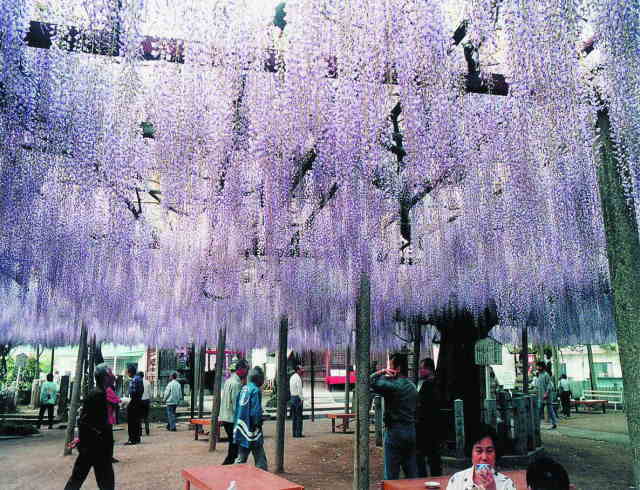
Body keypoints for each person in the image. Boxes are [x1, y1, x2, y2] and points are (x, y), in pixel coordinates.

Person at [64, 363, 115, 490]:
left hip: (94, 446)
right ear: (105, 377)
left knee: (79, 478)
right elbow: (85, 421)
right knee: (104, 481)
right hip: (96, 447)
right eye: (110, 374)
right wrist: (86, 439)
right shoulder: (97, 395)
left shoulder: (101, 393)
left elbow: (88, 421)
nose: (113, 376)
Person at [370, 352, 418, 480]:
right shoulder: (413, 387)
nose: (388, 369)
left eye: (390, 366)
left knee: (391, 474)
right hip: (411, 431)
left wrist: (381, 372)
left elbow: (370, 381)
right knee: (411, 472)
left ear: (397, 368)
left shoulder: (393, 386)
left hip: (395, 431)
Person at [446, 424, 515, 490]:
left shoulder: (506, 483)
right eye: (479, 451)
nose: (484, 457)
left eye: (489, 451)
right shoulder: (456, 480)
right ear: (471, 452)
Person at [234, 366, 268, 470]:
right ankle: (263, 478)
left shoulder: (243, 388)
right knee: (260, 457)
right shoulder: (255, 390)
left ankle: (234, 475)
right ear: (258, 379)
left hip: (240, 427)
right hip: (251, 429)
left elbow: (237, 408)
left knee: (241, 456)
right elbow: (255, 412)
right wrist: (259, 422)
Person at [415, 358, 443, 477]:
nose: (420, 371)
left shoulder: (428, 384)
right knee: (434, 456)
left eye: (422, 368)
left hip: (426, 425)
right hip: (435, 426)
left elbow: (422, 404)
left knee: (421, 456)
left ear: (429, 369)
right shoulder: (437, 382)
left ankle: (424, 478)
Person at [220, 359, 249, 464]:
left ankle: (227, 469)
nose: (247, 373)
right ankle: (225, 470)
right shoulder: (236, 384)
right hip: (232, 419)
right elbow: (236, 405)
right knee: (234, 449)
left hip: (226, 417)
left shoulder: (229, 381)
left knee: (233, 448)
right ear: (241, 370)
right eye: (246, 370)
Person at [104, 368, 121, 464]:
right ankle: (108, 457)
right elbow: (117, 401)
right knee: (109, 439)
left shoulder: (102, 389)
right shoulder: (108, 390)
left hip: (103, 417)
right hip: (107, 418)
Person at [536, 361, 558, 429]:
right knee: (539, 410)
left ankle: (554, 423)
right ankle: (537, 424)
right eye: (537, 366)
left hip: (547, 396)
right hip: (541, 396)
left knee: (550, 410)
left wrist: (546, 393)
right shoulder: (539, 375)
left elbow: (549, 385)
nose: (538, 367)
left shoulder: (546, 375)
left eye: (539, 366)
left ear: (542, 367)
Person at [125, 364, 143, 445]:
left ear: (130, 372)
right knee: (137, 421)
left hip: (133, 402)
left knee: (131, 421)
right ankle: (137, 438)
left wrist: (128, 399)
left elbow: (133, 392)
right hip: (139, 401)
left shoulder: (134, 380)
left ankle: (132, 439)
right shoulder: (139, 379)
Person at [289, 364, 304, 437]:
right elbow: (300, 390)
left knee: (294, 417)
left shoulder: (292, 377)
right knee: (299, 416)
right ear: (298, 370)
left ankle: (294, 433)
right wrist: (301, 399)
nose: (302, 370)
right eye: (301, 369)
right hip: (297, 398)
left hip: (292, 397)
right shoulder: (298, 378)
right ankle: (299, 433)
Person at [138, 371, 151, 436]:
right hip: (146, 400)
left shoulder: (137, 382)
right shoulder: (147, 382)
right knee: (146, 416)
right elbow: (149, 393)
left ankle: (140, 432)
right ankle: (147, 430)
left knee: (139, 417)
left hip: (140, 400)